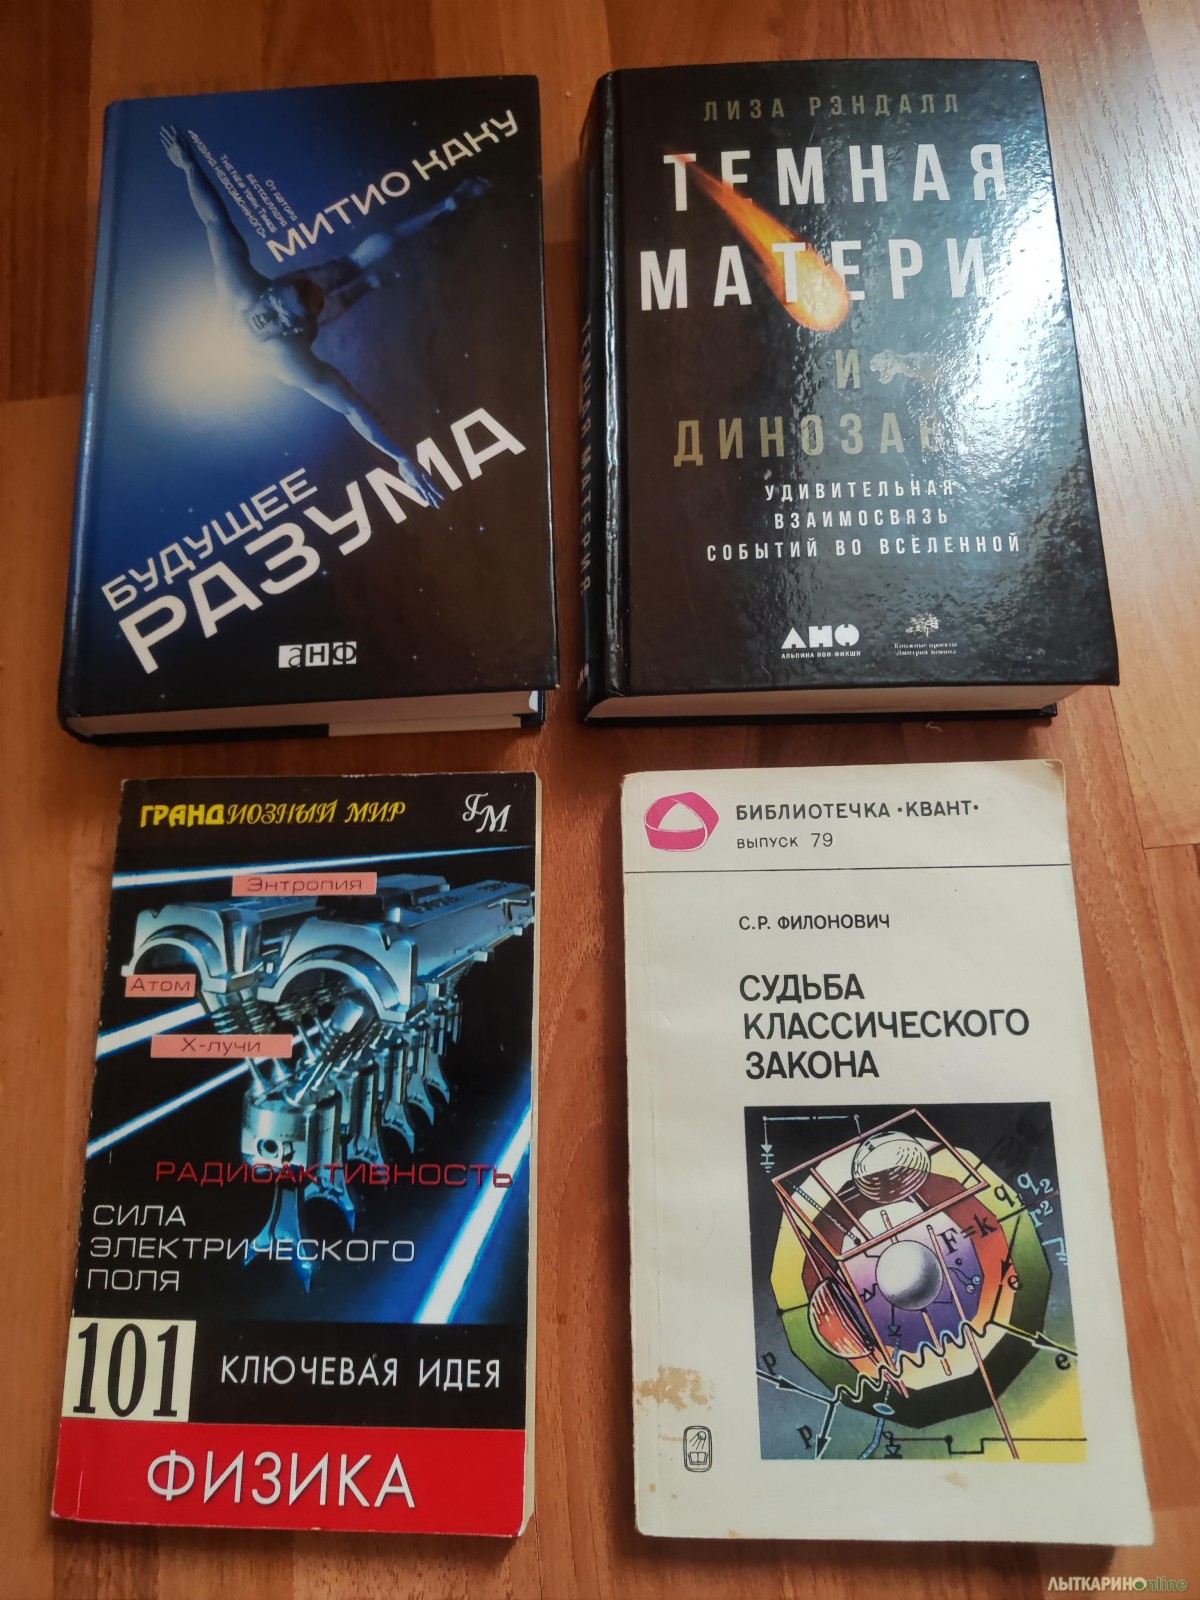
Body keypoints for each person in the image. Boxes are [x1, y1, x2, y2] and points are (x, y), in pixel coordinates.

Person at [160, 125, 486, 504]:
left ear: (293, 328)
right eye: (273, 309)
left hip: (301, 320)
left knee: (350, 269)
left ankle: (435, 217)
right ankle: (377, 274)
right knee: (350, 271)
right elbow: (216, 222)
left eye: (281, 318)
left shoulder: (276, 337)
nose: (268, 318)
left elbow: (353, 409)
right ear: (269, 292)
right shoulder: (263, 323)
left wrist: (401, 458)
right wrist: (189, 165)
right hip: (295, 319)